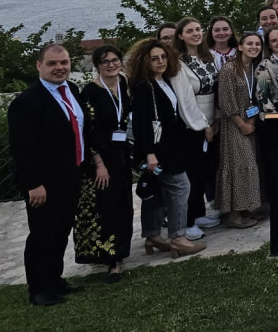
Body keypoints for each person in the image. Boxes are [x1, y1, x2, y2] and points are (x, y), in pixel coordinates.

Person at [8, 43, 92, 305]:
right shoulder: (27, 102)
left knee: (61, 231)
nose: (60, 68)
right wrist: (34, 184)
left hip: (71, 176)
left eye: (64, 63)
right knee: (42, 235)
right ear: (39, 66)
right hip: (44, 183)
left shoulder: (72, 90)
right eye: (53, 63)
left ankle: (55, 280)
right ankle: (39, 289)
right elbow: (22, 149)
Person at [128, 39, 205, 259]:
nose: (160, 61)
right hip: (158, 152)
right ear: (145, 61)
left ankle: (152, 235)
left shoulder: (163, 81)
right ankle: (178, 236)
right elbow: (143, 123)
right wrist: (150, 153)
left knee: (158, 189)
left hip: (168, 148)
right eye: (154, 58)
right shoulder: (144, 87)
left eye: (163, 57)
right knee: (181, 186)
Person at [75, 45, 133, 283]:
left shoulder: (125, 84)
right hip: (101, 158)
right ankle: (111, 260)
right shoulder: (90, 91)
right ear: (97, 65)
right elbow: (87, 130)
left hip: (122, 154)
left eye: (115, 60)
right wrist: (98, 162)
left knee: (123, 204)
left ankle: (120, 250)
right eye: (105, 61)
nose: (111, 65)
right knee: (106, 206)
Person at [173, 17, 220, 236]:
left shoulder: (208, 57)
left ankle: (200, 213)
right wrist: (203, 125)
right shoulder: (178, 63)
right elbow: (185, 99)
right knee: (193, 172)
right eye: (189, 31)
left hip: (212, 119)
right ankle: (188, 221)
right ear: (180, 35)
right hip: (193, 124)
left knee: (205, 171)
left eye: (198, 29)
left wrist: (216, 119)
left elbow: (216, 90)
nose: (195, 33)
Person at [215, 32, 264, 229]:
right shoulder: (229, 69)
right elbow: (225, 101)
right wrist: (241, 123)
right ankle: (233, 215)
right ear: (240, 46)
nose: (254, 47)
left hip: (250, 123)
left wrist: (251, 120)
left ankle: (246, 209)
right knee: (238, 167)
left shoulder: (253, 68)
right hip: (234, 125)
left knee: (249, 168)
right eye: (250, 43)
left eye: (257, 44)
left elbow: (256, 96)